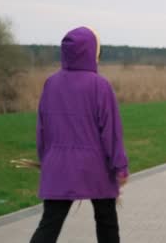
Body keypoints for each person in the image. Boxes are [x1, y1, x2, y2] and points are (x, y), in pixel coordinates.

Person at [30, 27, 129, 243]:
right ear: (92, 51)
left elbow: (42, 129)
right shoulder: (100, 86)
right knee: (106, 222)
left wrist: (44, 159)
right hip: (96, 167)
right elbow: (112, 132)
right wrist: (120, 166)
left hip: (58, 165)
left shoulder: (51, 83)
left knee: (49, 223)